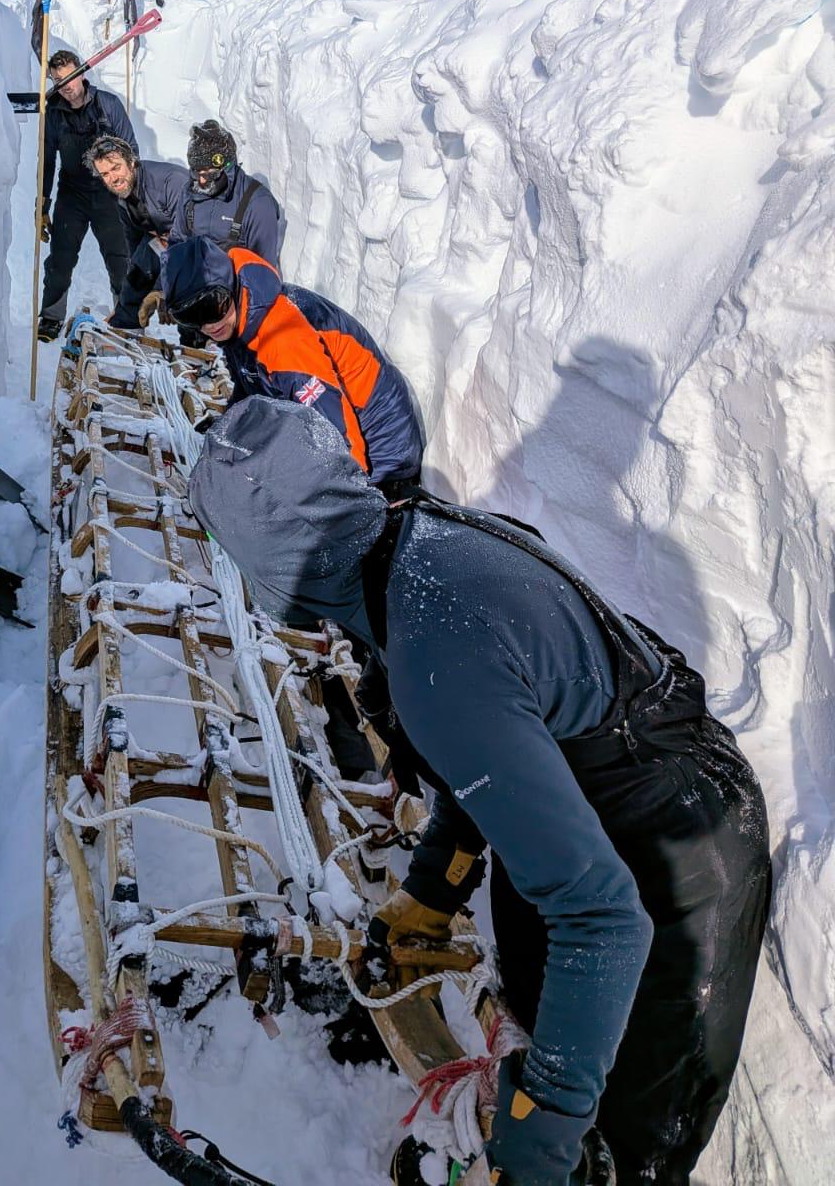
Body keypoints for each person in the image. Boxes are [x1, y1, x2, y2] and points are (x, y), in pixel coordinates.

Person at [188, 396, 770, 1186]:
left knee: (615, 1143)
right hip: (604, 798)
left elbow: (603, 918)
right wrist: (435, 888)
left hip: (683, 850)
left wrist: (541, 1138)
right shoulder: (413, 549)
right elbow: (489, 750)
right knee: (537, 1030)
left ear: (275, 560)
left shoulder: (430, 651)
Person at [163, 236, 423, 490]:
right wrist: (230, 426)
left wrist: (348, 498)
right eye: (191, 317)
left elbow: (336, 428)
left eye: (212, 306)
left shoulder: (281, 338)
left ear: (230, 285)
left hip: (381, 448)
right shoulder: (239, 321)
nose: (209, 325)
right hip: (338, 427)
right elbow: (250, 388)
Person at [37, 50, 138, 342]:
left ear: (82, 73)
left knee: (119, 257)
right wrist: (42, 205)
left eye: (69, 77)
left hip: (109, 193)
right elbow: (46, 162)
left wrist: (131, 196)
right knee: (61, 257)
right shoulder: (53, 112)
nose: (65, 86)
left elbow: (131, 150)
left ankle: (125, 316)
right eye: (58, 81)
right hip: (72, 193)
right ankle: (51, 317)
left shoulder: (108, 105)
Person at [84, 135, 189, 329]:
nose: (113, 179)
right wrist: (132, 290)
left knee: (183, 300)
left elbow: (187, 240)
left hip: (199, 246)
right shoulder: (124, 195)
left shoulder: (170, 183)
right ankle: (122, 332)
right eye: (105, 174)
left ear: (131, 162)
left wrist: (161, 288)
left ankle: (198, 346)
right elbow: (134, 242)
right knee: (135, 280)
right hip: (166, 242)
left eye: (116, 168)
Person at [169, 119, 283, 265]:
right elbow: (177, 244)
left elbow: (263, 273)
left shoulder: (258, 204)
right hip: (194, 281)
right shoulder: (190, 191)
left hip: (237, 284)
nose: (201, 182)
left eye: (209, 175)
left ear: (227, 168)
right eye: (196, 173)